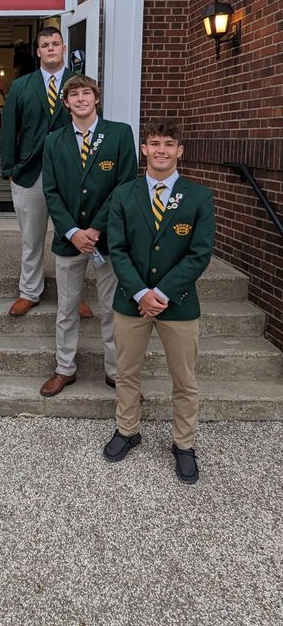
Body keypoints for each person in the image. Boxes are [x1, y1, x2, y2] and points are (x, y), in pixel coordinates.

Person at [103, 120, 215, 485]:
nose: (162, 150)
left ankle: (184, 444)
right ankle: (127, 430)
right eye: (155, 143)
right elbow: (117, 250)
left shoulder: (199, 196)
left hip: (178, 304)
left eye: (169, 143)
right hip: (130, 301)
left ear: (180, 150)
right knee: (127, 372)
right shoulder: (124, 194)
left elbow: (199, 254)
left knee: (184, 379)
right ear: (145, 150)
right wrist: (140, 293)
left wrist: (162, 293)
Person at [41, 74, 137, 396]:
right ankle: (64, 368)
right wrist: (72, 231)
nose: (81, 99)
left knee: (112, 309)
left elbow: (124, 187)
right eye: (74, 95)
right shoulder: (54, 141)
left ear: (96, 98)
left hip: (109, 239)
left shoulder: (120, 135)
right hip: (69, 241)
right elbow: (51, 192)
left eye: (87, 93)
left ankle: (114, 372)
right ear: (66, 102)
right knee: (66, 308)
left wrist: (95, 229)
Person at [1, 26, 91, 318]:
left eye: (56, 43)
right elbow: (9, 131)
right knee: (32, 237)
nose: (51, 48)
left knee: (72, 234)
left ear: (64, 48)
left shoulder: (79, 86)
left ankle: (73, 296)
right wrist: (9, 169)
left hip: (72, 171)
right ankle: (30, 291)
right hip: (30, 171)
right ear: (38, 51)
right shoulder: (21, 86)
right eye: (45, 44)